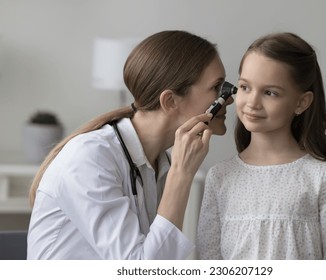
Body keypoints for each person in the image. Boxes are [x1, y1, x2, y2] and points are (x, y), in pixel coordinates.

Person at [27, 30, 233, 260]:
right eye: (217, 88)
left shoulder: (159, 163)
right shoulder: (90, 158)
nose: (229, 98)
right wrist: (181, 175)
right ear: (170, 101)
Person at [197, 32, 326, 260]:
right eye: (245, 87)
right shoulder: (220, 177)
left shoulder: (322, 178)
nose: (252, 102)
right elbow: (208, 261)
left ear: (301, 102)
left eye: (270, 92)